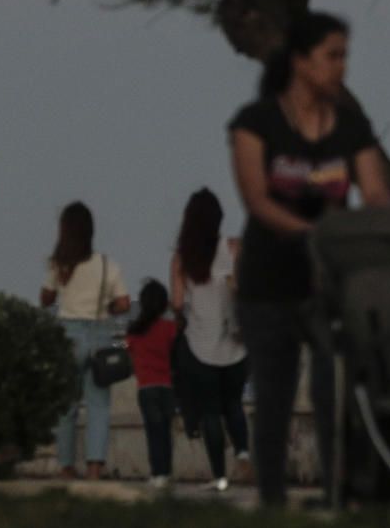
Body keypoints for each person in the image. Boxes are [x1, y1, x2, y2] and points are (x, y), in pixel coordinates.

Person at [228, 11, 390, 506]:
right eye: (332, 56)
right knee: (275, 399)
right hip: (268, 281)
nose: (342, 67)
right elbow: (258, 200)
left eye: (346, 56)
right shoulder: (256, 123)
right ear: (301, 62)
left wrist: (380, 235)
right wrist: (316, 232)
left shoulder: (351, 127)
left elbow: (376, 191)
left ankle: (337, 496)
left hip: (329, 284)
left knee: (334, 392)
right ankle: (274, 504)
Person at [40, 201, 131, 480]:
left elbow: (46, 298)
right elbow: (125, 303)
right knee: (99, 405)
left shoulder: (60, 264)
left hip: (68, 336)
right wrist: (109, 309)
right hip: (100, 336)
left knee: (66, 406)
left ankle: (66, 466)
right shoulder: (106, 264)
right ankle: (94, 467)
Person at [171, 188, 250, 492]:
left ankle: (219, 477)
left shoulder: (182, 259)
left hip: (200, 346)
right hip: (235, 345)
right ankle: (243, 452)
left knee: (210, 412)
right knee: (234, 404)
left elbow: (177, 303)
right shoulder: (234, 248)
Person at [125, 279, 178, 489]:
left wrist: (115, 343)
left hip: (146, 389)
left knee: (153, 432)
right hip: (167, 387)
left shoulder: (134, 331)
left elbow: (123, 346)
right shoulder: (169, 328)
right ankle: (166, 472)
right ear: (164, 304)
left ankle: (157, 473)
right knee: (166, 432)